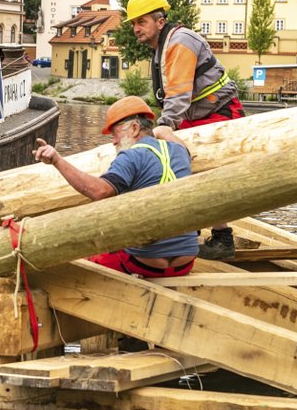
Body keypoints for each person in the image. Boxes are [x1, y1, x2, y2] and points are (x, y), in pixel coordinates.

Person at [125, 0, 244, 260]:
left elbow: (178, 94)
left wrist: (164, 127)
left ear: (160, 21)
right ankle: (189, 233)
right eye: (133, 23)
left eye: (141, 22)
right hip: (198, 116)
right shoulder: (162, 47)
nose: (135, 28)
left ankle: (222, 240)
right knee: (179, 168)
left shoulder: (179, 43)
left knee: (206, 173)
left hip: (220, 113)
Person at [33, 96, 198, 279]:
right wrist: (164, 131)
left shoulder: (131, 156)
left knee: (84, 260)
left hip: (144, 264)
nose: (113, 141)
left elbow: (99, 191)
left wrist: (57, 160)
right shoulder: (179, 151)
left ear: (135, 128)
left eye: (115, 133)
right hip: (185, 264)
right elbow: (177, 142)